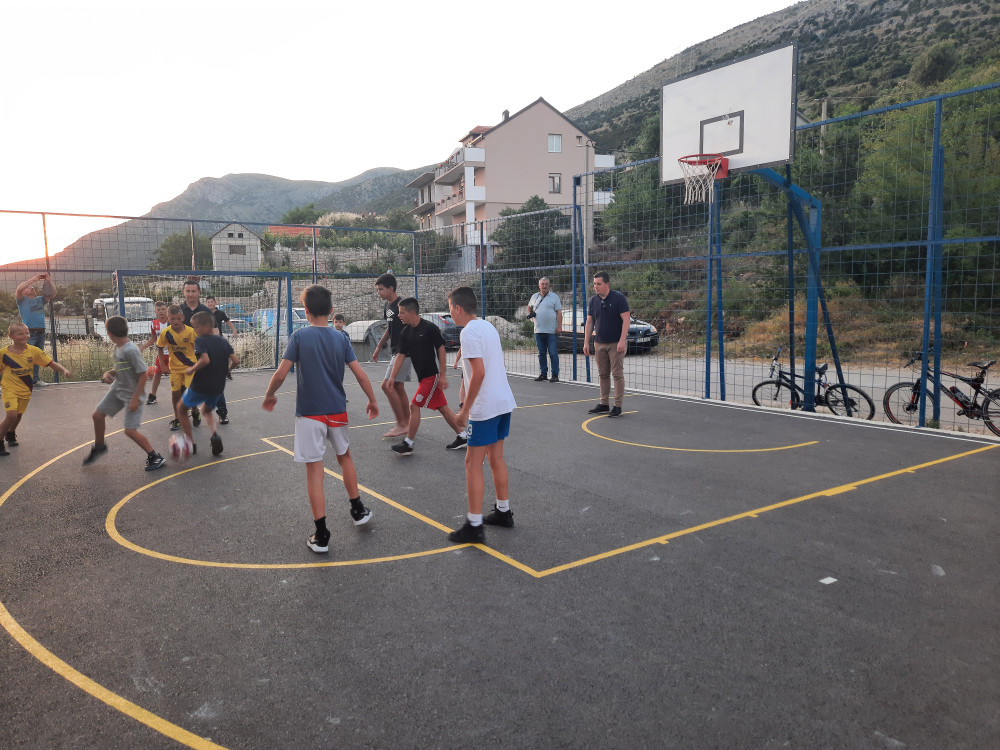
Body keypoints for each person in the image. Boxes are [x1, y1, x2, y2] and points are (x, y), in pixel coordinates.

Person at [262, 284, 379, 554]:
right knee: (345, 456)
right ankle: (358, 509)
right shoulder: (341, 338)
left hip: (310, 414)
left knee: (315, 471)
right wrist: (372, 399)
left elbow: (281, 373)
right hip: (337, 410)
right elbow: (360, 374)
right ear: (331, 310)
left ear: (305, 310)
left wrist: (270, 394)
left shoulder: (299, 337)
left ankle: (322, 534)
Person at [446, 286, 517, 543]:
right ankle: (503, 511)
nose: (450, 314)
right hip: (503, 401)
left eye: (450, 309)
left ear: (458, 308)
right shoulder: (487, 326)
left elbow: (479, 373)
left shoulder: (468, 332)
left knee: (472, 463)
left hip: (485, 407)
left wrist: (465, 410)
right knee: (496, 457)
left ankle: (474, 525)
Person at [82, 316, 166, 471]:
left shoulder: (131, 350)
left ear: (109, 333)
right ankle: (100, 446)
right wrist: (109, 373)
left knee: (130, 430)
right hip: (118, 389)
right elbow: (122, 368)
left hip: (133, 394)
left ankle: (155, 456)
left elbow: (143, 374)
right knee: (97, 415)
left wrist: (135, 398)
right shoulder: (118, 347)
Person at [388, 297, 469, 456]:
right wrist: (392, 377)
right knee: (443, 408)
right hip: (423, 377)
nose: (399, 315)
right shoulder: (405, 332)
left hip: (432, 376)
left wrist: (443, 375)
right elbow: (401, 355)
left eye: (402, 312)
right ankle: (463, 435)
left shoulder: (429, 328)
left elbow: (441, 350)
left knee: (414, 406)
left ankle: (408, 443)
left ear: (412, 312)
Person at [0, 322, 72, 457]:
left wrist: (64, 370)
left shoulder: (34, 351)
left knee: (18, 415)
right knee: (11, 415)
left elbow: (51, 363)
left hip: (25, 389)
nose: (25, 336)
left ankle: (10, 433)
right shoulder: (3, 353)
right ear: (11, 336)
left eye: (27, 333)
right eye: (20, 333)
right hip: (9, 389)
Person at [177, 311, 239, 457]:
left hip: (201, 385)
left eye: (196, 327)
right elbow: (236, 361)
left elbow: (205, 360)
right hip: (218, 387)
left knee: (181, 409)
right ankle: (214, 435)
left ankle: (190, 443)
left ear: (206, 326)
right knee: (206, 410)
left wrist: (192, 369)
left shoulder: (201, 340)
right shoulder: (223, 341)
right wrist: (227, 371)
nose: (195, 331)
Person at [180, 280, 229, 424]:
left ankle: (222, 412)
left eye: (193, 291)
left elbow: (215, 331)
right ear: (183, 292)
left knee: (214, 383)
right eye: (188, 291)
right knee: (187, 385)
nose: (190, 294)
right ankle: (194, 412)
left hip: (204, 354)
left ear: (199, 292)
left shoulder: (206, 311)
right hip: (185, 355)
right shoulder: (179, 310)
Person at [583, 271, 630, 418]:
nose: (595, 287)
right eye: (594, 284)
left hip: (615, 343)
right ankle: (604, 403)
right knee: (603, 374)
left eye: (598, 284)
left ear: (607, 284)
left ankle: (617, 406)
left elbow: (626, 319)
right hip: (599, 343)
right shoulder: (593, 301)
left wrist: (622, 340)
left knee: (617, 374)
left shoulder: (618, 298)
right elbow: (589, 322)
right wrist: (586, 342)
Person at [371, 273, 410, 437]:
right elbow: (389, 327)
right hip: (396, 351)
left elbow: (412, 327)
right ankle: (408, 423)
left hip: (403, 352)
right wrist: (379, 346)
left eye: (381, 289)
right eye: (378, 289)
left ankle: (402, 424)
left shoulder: (402, 306)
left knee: (387, 385)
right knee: (398, 387)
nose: (378, 292)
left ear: (391, 288)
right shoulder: (387, 306)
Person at [156, 305, 198, 434]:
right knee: (175, 394)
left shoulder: (190, 332)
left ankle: (195, 410)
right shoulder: (166, 333)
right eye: (172, 318)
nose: (175, 321)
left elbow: (199, 349)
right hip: (174, 368)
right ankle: (177, 418)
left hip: (190, 367)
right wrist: (162, 366)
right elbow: (160, 348)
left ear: (183, 318)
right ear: (168, 319)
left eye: (178, 318)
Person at [15, 272, 56, 386]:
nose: (31, 287)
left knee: (36, 357)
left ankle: (35, 380)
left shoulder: (40, 299)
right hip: (28, 334)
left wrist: (49, 281)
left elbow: (53, 293)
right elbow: (19, 289)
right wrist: (34, 279)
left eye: (32, 287)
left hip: (41, 332)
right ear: (24, 292)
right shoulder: (21, 300)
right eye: (29, 287)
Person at [527, 276, 562, 382]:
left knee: (553, 353)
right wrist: (531, 316)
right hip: (538, 330)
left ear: (549, 286)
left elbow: (559, 312)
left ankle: (555, 375)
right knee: (541, 353)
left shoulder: (554, 297)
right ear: (539, 286)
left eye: (546, 284)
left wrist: (559, 326)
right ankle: (543, 374)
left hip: (551, 331)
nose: (544, 286)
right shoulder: (534, 297)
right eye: (542, 284)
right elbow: (529, 307)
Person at [139, 300, 170, 405]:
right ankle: (153, 396)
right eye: (159, 310)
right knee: (157, 374)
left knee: (178, 374)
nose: (161, 311)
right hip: (161, 354)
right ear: (155, 312)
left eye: (163, 309)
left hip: (174, 353)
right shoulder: (154, 323)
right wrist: (143, 347)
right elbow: (153, 338)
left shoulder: (172, 321)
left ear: (167, 310)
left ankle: (184, 394)